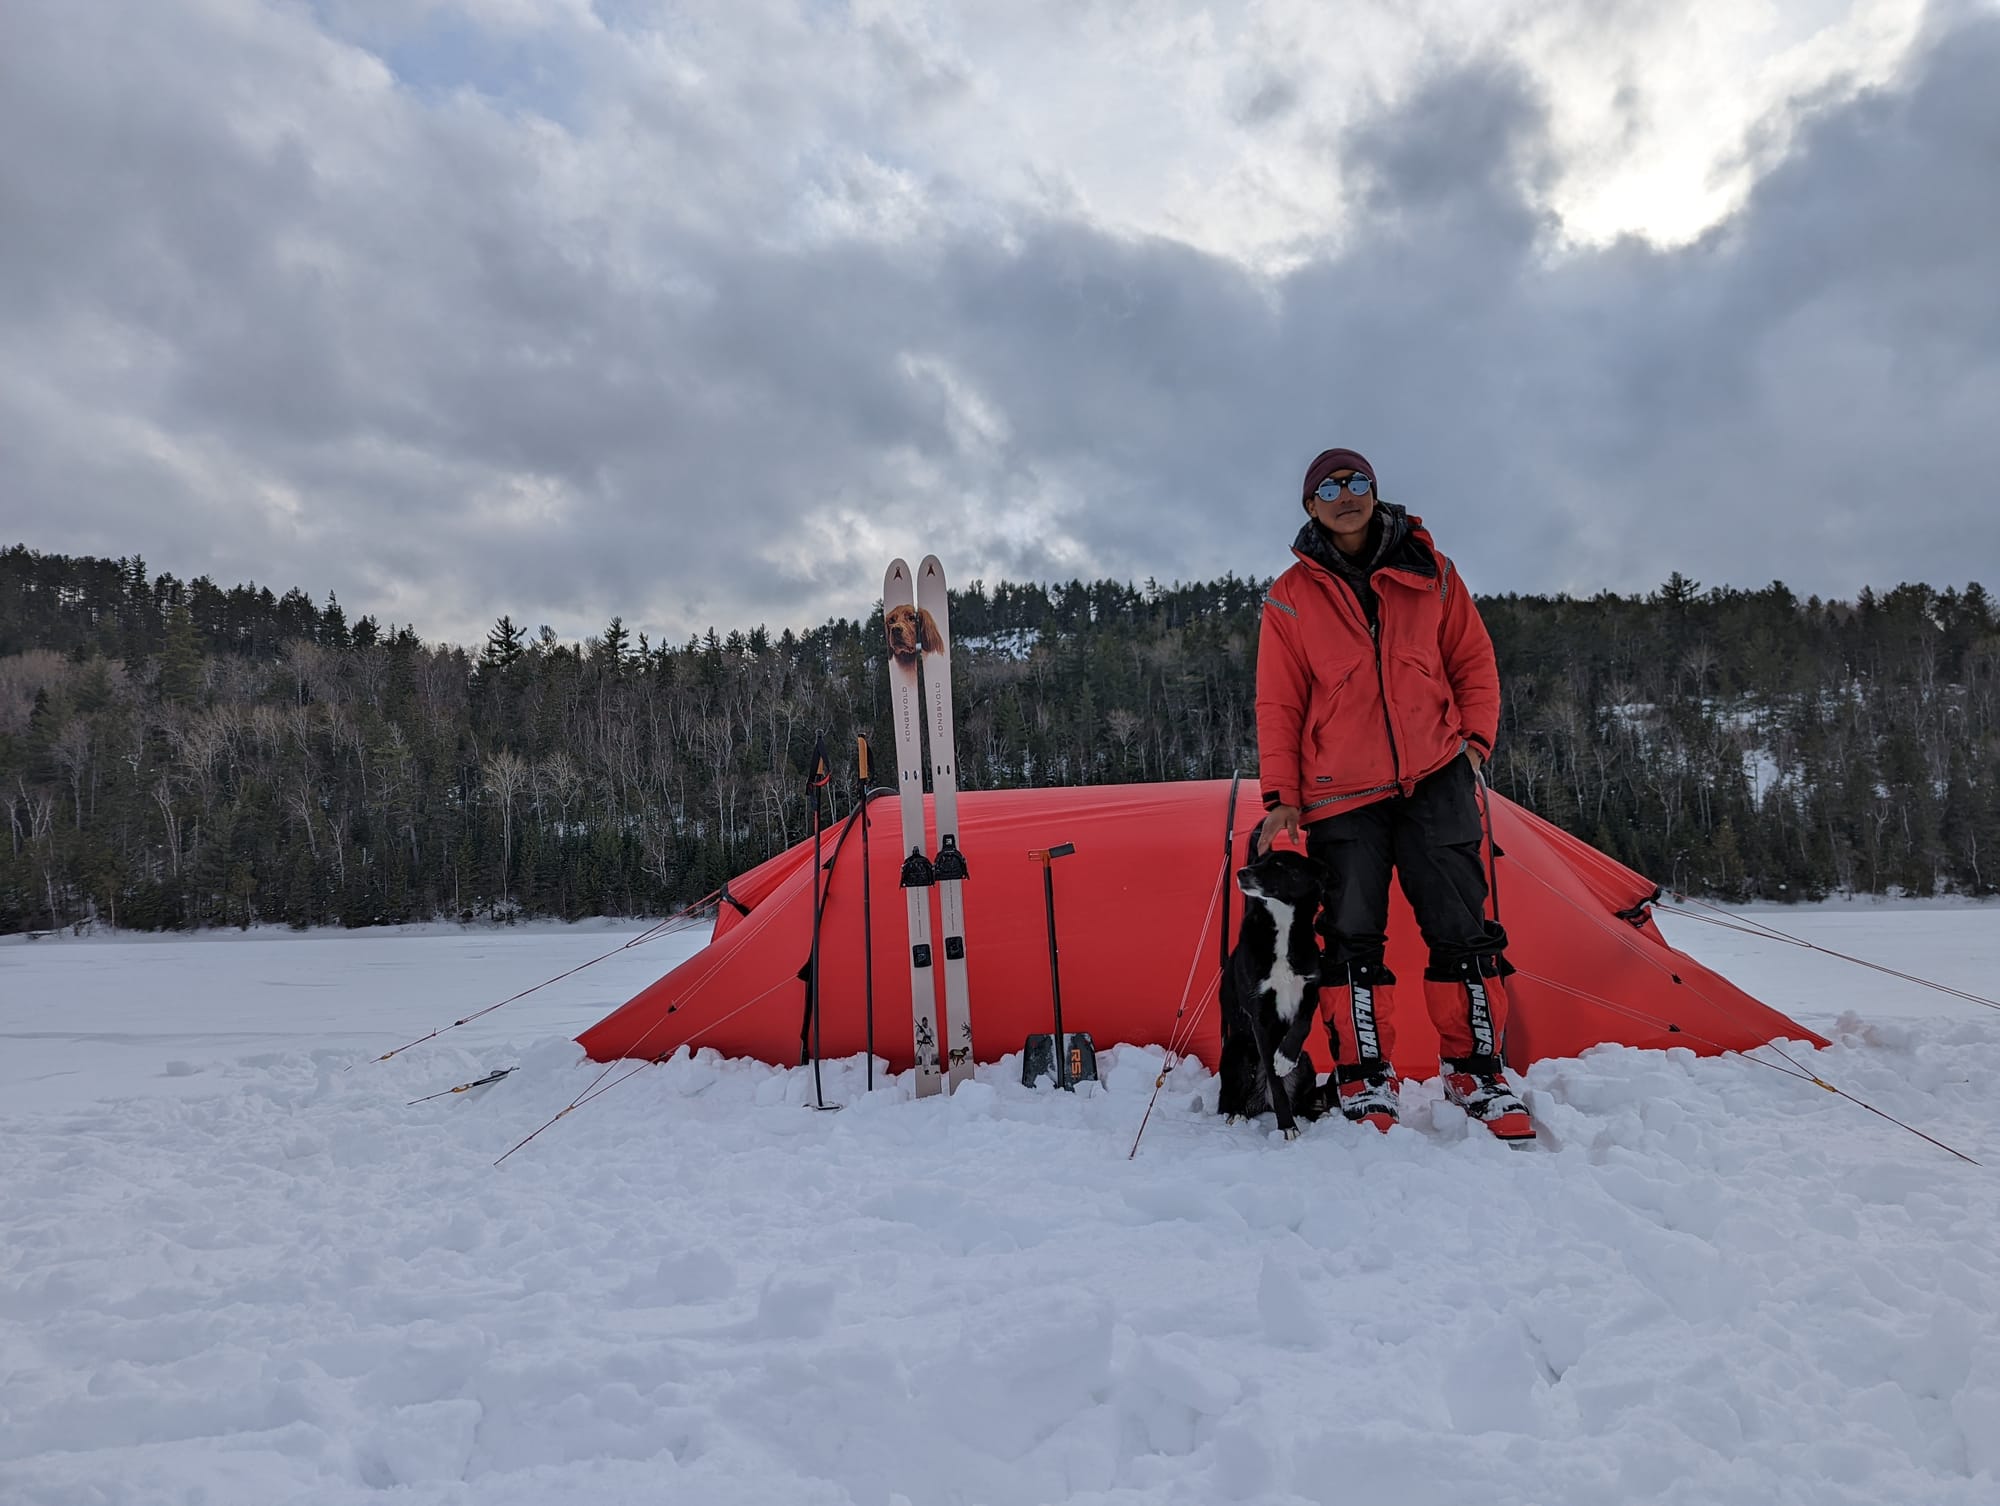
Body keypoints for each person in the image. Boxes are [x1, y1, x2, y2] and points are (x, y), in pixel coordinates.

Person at [1252, 446, 1533, 1140]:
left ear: (1375, 492)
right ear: (1309, 505)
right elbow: (1279, 703)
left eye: (1357, 482)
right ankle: (1365, 1078)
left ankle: (1477, 1072)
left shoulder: (1431, 571)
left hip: (1435, 777)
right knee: (1351, 938)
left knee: (1463, 928)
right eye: (1328, 487)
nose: (1345, 495)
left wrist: (1474, 746)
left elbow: (1473, 660)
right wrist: (1281, 796)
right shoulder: (1290, 595)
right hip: (1340, 794)